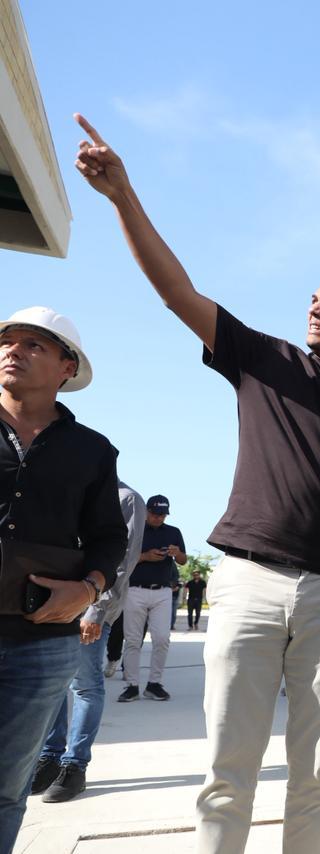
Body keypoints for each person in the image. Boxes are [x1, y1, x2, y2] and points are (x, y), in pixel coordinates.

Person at [75, 115, 320, 854]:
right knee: (229, 769)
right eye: (312, 299)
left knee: (315, 771)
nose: (313, 308)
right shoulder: (268, 361)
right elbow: (176, 292)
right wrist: (123, 196)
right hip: (249, 582)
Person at [0, 306, 127, 853]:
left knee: (7, 789)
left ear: (66, 368)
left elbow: (108, 537)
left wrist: (90, 588)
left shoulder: (93, 451)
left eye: (34, 345)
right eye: (7, 340)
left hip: (40, 642)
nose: (13, 351)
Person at [33, 481, 146, 803]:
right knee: (53, 684)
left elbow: (122, 561)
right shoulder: (71, 493)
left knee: (84, 686)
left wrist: (96, 610)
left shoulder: (126, 499)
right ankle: (49, 758)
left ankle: (75, 765)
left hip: (91, 608)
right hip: (55, 604)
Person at [120, 495, 186, 702]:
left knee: (162, 639)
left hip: (163, 592)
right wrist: (145, 556)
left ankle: (154, 683)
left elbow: (184, 560)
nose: (159, 518)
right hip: (135, 590)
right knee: (132, 640)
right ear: (147, 511)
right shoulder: (134, 530)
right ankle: (132, 685)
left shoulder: (173, 532)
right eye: (155, 514)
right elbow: (122, 558)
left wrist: (176, 554)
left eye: (163, 515)